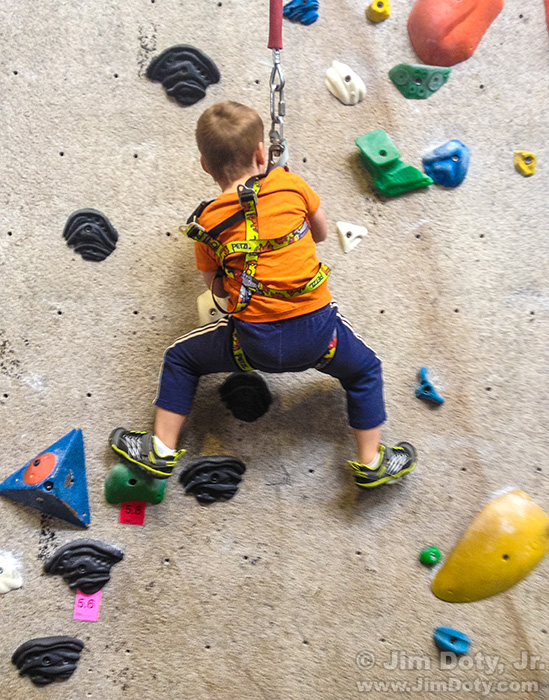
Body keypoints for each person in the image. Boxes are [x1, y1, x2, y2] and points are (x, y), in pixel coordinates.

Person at [110, 101, 416, 488]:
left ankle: (161, 450)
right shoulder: (291, 184)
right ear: (261, 153)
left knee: (180, 358)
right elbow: (320, 235)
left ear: (205, 165)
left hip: (250, 346)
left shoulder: (206, 222)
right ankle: (370, 461)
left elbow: (216, 287)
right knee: (366, 368)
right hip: (321, 338)